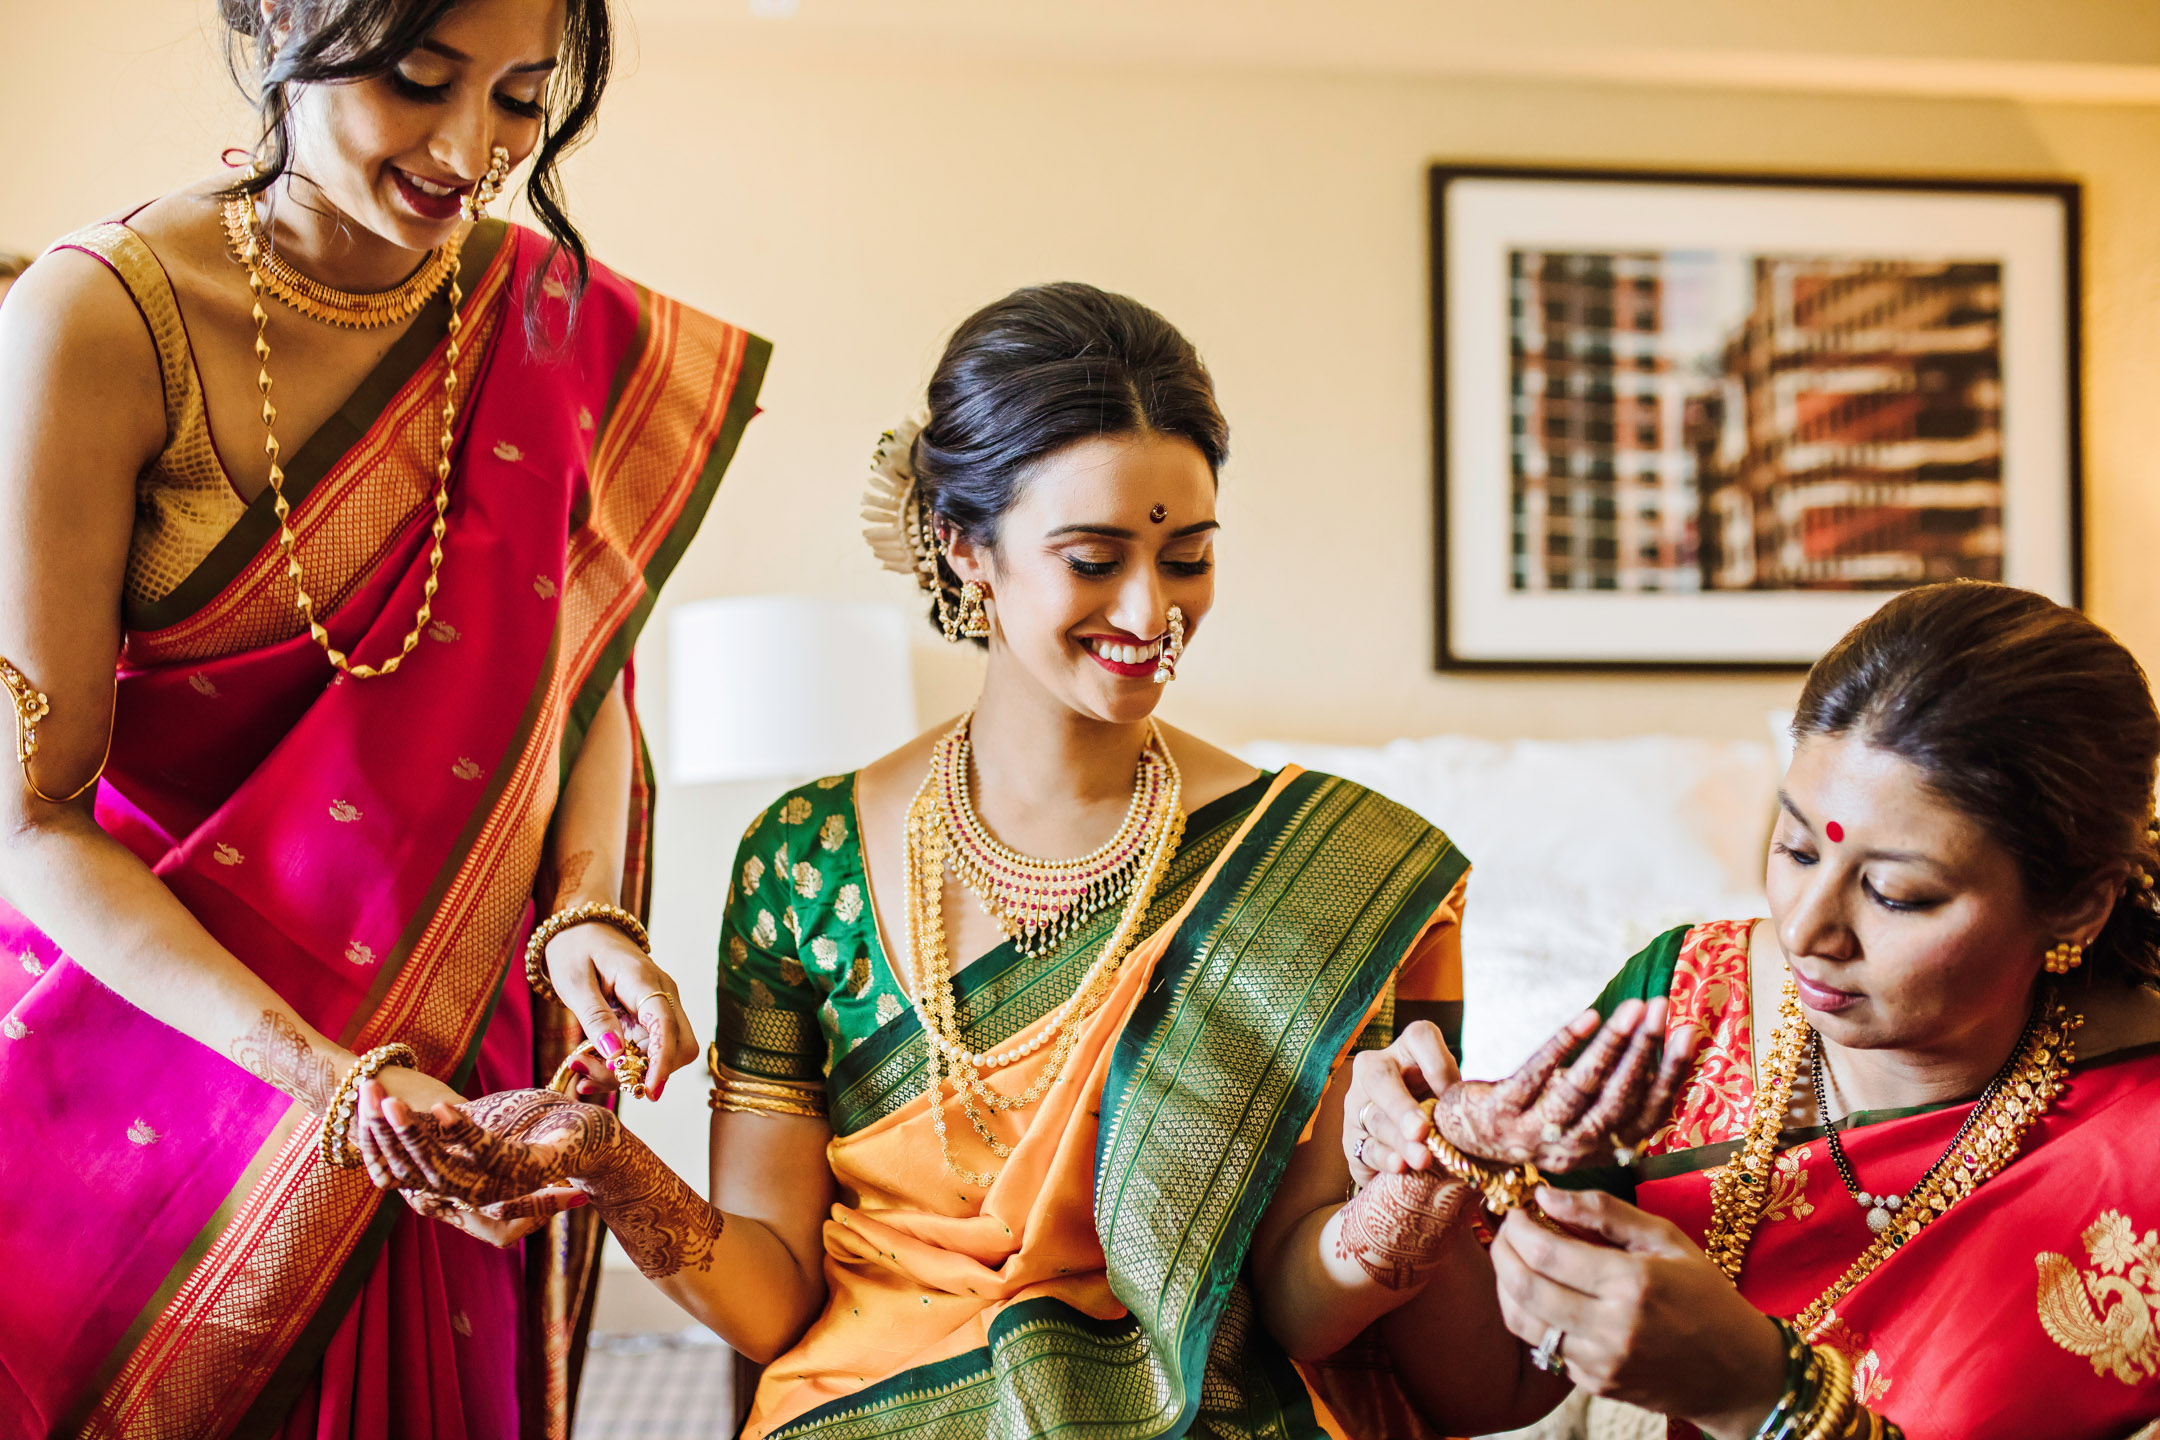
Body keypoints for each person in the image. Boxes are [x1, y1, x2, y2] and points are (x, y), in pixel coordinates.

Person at [356, 281, 1687, 1439]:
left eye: (1190, 558)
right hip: (870, 1412)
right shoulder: (805, 860)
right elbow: (775, 1299)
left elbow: (1296, 1305)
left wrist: (1410, 1201)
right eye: (1096, 558)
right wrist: (612, 1164)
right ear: (965, 546)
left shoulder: (1329, 869)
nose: (1153, 613)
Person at [0, 0, 766, 1433]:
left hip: (445, 1061)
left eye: (523, 101)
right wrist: (332, 1081)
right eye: (421, 81)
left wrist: (584, 914)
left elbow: (581, 666)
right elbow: (28, 821)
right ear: (283, 21)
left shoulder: (550, 315)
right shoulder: (96, 320)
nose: (471, 149)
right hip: (157, 1063)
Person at [1342, 581, 2160, 1439]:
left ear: (2077, 906)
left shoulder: (2133, 1141)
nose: (1807, 928)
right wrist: (1427, 1167)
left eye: (1896, 894)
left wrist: (1765, 1397)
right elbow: (1498, 1384)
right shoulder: (1686, 1003)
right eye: (1796, 847)